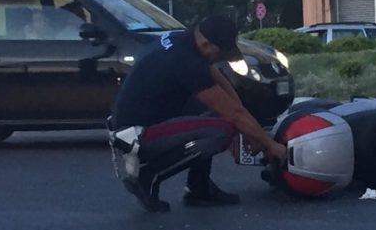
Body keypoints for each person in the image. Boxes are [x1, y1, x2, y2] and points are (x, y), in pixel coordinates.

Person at [109, 14, 287, 213]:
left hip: (145, 121)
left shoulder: (182, 40)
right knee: (221, 130)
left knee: (218, 114)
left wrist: (250, 129)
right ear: (206, 44)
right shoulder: (187, 62)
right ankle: (147, 176)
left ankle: (198, 188)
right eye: (220, 54)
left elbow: (220, 83)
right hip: (137, 133)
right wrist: (270, 145)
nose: (221, 59)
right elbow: (234, 115)